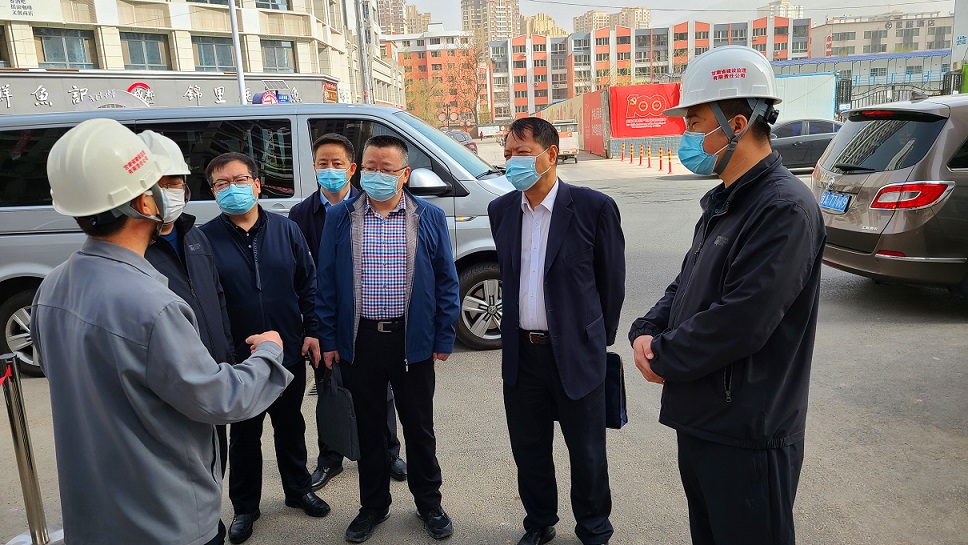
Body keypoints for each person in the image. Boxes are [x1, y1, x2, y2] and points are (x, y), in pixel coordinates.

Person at [33, 118, 293, 545]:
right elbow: (220, 398)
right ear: (145, 200)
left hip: (93, 516)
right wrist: (268, 352)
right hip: (163, 518)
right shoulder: (153, 305)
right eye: (163, 183)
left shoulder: (52, 287)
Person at [628, 45, 826, 545]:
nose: (686, 135)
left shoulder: (783, 208)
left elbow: (743, 319)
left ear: (737, 124)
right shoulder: (726, 200)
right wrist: (646, 329)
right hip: (705, 421)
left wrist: (664, 355)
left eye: (695, 122)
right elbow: (687, 283)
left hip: (748, 434)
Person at [316, 134, 460, 543]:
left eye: (387, 169)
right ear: (360, 169)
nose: (377, 175)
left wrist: (443, 336)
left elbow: (447, 281)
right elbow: (326, 283)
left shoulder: (428, 216)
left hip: (411, 342)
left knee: (419, 428)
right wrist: (329, 339)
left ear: (405, 174)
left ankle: (429, 503)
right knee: (369, 429)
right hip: (360, 342)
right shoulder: (340, 217)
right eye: (370, 168)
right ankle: (373, 506)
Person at [488, 117, 626, 545]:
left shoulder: (593, 208)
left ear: (551, 154)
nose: (513, 162)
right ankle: (539, 521)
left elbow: (611, 283)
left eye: (522, 153)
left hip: (576, 351)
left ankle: (594, 527)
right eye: (508, 154)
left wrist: (593, 339)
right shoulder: (502, 210)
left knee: (587, 452)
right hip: (522, 355)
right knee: (529, 449)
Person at [200, 152, 329, 544]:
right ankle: (245, 507)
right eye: (222, 184)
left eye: (240, 180)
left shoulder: (287, 230)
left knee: (290, 425)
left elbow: (308, 284)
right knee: (244, 433)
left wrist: (312, 331)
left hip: (287, 350)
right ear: (213, 192)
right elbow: (205, 301)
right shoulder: (203, 240)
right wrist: (221, 353)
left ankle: (298, 489)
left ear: (257, 185)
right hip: (238, 360)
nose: (232, 189)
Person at [288, 133, 406, 490]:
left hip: (364, 322)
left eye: (337, 163)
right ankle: (330, 457)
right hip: (324, 321)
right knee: (330, 390)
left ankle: (389, 451)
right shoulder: (300, 215)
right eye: (322, 163)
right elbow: (306, 278)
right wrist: (316, 329)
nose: (330, 169)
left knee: (381, 394)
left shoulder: (365, 206)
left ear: (352, 168)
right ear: (314, 168)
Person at [141, 130, 235, 476]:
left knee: (216, 456)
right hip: (174, 379)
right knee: (183, 464)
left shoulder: (194, 236)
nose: (170, 192)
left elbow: (216, 297)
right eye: (160, 184)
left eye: (175, 183)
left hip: (212, 368)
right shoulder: (137, 248)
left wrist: (226, 353)